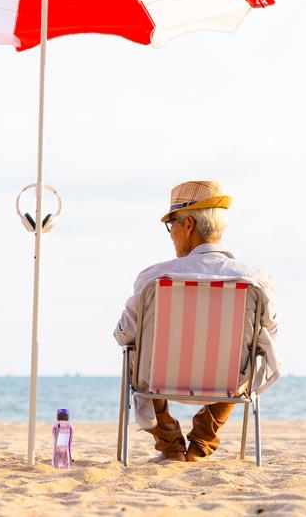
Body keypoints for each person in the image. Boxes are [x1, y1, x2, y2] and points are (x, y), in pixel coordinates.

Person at [114, 181, 281, 462]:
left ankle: (170, 446)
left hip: (159, 380)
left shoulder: (153, 279)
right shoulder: (254, 279)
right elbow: (272, 330)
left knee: (136, 353)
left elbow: (123, 335)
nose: (172, 235)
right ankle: (202, 443)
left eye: (172, 226)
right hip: (228, 383)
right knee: (254, 349)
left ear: (188, 224)